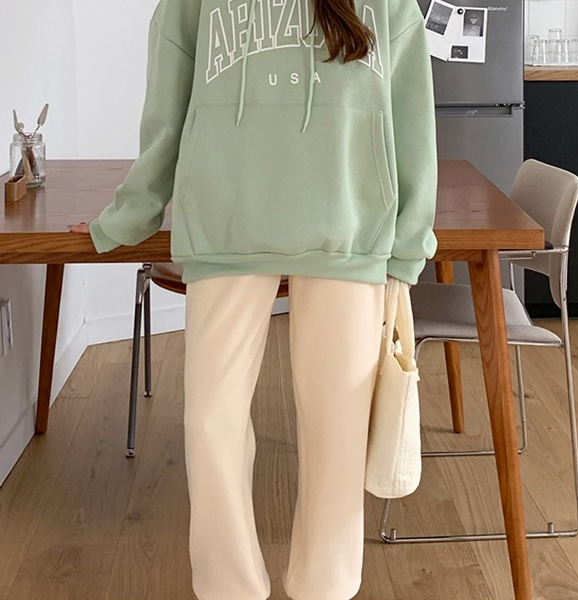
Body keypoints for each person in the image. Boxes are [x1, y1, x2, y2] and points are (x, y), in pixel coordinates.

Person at [69, 0, 437, 597]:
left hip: (347, 231)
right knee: (209, 423)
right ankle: (229, 587)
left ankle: (325, 588)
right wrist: (125, 217)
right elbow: (165, 116)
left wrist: (409, 243)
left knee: (338, 429)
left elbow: (412, 119)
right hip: (226, 226)